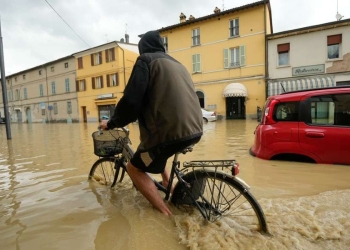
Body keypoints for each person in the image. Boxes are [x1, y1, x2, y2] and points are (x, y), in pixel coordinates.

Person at [99, 30, 203, 216]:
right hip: (195, 129)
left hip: (168, 133)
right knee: (158, 151)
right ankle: (168, 185)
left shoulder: (145, 61)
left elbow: (131, 100)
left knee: (134, 167)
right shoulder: (178, 64)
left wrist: (112, 123)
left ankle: (165, 213)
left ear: (142, 48)